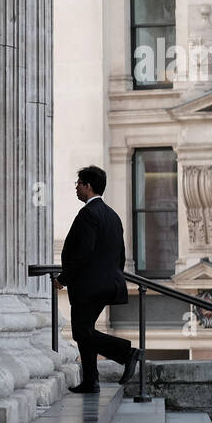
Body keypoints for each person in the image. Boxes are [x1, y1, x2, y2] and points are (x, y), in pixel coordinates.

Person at [53, 166, 143, 393]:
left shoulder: (88, 215)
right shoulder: (112, 215)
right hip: (107, 284)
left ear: (88, 186)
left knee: (81, 332)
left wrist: (63, 278)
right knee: (86, 330)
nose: (76, 187)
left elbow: (83, 252)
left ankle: (126, 353)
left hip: (88, 286)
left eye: (79, 183)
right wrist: (111, 277)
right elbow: (120, 254)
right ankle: (91, 380)